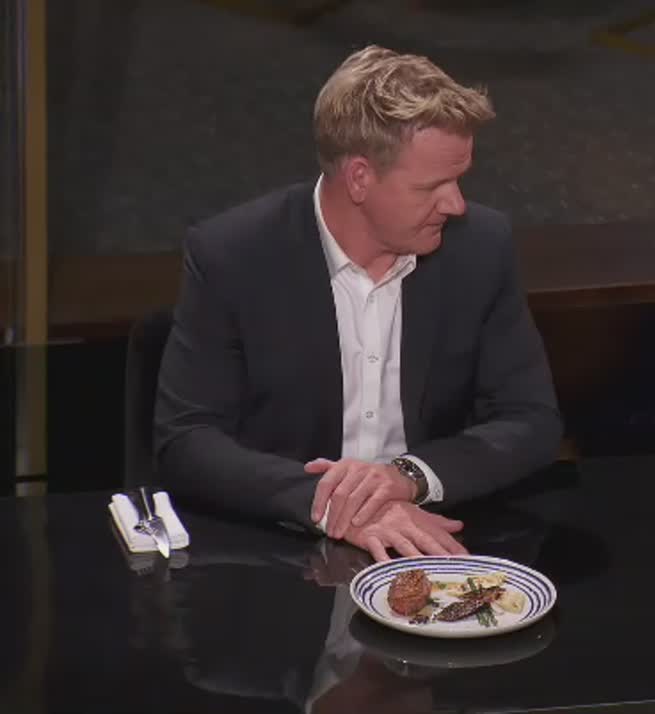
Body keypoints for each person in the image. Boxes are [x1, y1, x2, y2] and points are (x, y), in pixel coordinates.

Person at [155, 45, 562, 560]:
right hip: (285, 554)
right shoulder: (233, 255)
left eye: (459, 180)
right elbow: (186, 441)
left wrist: (408, 477)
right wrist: (332, 504)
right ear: (360, 178)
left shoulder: (480, 247)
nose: (456, 204)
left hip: (436, 541)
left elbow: (531, 420)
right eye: (433, 186)